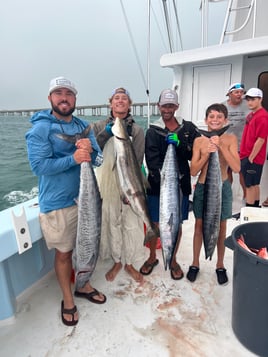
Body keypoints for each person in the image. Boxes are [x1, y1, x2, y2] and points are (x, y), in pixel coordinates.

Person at [26, 77, 106, 327]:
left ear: (75, 99)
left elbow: (99, 161)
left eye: (69, 94)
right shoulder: (40, 129)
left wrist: (90, 152)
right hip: (58, 203)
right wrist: (74, 158)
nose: (64, 98)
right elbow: (38, 167)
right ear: (50, 98)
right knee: (64, 253)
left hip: (88, 199)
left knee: (89, 245)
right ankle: (68, 298)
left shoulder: (84, 126)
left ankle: (83, 284)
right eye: (58, 93)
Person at [139, 89, 200, 280]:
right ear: (159, 106)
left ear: (176, 107)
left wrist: (180, 143)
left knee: (176, 224)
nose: (167, 109)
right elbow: (151, 160)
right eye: (164, 105)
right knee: (155, 224)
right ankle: (152, 257)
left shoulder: (188, 128)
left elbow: (192, 154)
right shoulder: (152, 130)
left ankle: (172, 260)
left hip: (180, 187)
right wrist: (164, 182)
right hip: (158, 188)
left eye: (171, 105)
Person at [93, 87, 146, 283]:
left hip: (129, 184)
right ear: (111, 104)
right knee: (112, 222)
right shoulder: (98, 126)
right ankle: (117, 260)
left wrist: (131, 189)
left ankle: (130, 263)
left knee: (131, 225)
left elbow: (138, 161)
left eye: (124, 98)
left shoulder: (137, 130)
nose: (120, 101)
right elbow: (93, 151)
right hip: (106, 183)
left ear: (129, 104)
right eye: (117, 98)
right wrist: (106, 134)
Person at [186, 103, 240, 285]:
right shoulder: (199, 141)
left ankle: (219, 264)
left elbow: (237, 167)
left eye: (219, 117)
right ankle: (195, 263)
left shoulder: (231, 139)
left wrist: (220, 146)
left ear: (225, 120)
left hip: (222, 187)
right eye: (211, 116)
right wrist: (208, 153)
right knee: (199, 226)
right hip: (203, 187)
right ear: (206, 120)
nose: (215, 120)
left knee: (222, 227)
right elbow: (193, 171)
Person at [240, 88, 268, 208]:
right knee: (255, 183)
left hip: (253, 157)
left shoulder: (262, 116)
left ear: (260, 99)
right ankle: (256, 208)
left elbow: (261, 139)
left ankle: (250, 211)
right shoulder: (252, 115)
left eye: (253, 99)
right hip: (247, 155)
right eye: (248, 99)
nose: (250, 102)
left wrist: (250, 158)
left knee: (249, 185)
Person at [223, 83, 250, 199]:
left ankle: (246, 195)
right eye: (236, 92)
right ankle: (227, 194)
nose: (239, 94)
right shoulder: (222, 106)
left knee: (242, 171)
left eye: (241, 92)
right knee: (227, 170)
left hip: (243, 144)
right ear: (229, 94)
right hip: (227, 144)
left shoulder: (248, 105)